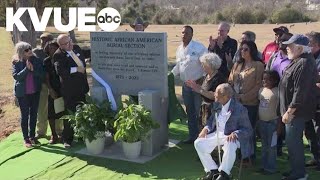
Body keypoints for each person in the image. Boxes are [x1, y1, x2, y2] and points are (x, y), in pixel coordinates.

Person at [194, 83, 253, 180]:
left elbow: (248, 130)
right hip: (217, 134)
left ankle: (224, 174)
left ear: (225, 96)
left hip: (232, 137)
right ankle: (212, 170)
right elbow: (211, 120)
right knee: (198, 143)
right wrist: (206, 129)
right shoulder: (217, 104)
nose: (214, 95)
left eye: (217, 93)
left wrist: (235, 133)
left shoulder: (240, 109)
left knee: (230, 144)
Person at [280, 34, 317, 180]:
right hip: (293, 111)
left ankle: (299, 174)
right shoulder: (298, 60)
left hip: (296, 112)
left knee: (294, 143)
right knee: (292, 142)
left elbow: (300, 91)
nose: (287, 48)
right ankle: (297, 170)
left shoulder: (304, 63)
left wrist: (290, 111)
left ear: (300, 48)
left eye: (290, 45)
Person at [228, 40, 264, 158]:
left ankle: (249, 156)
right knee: (236, 129)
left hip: (250, 103)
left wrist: (243, 96)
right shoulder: (237, 64)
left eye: (245, 49)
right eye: (241, 49)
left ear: (252, 51)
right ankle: (238, 154)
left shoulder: (258, 65)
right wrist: (234, 95)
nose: (242, 51)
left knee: (247, 130)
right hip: (235, 102)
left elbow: (258, 85)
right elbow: (230, 82)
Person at [172, 25, 207, 143]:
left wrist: (203, 79)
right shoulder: (179, 49)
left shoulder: (199, 48)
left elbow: (206, 65)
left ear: (192, 35)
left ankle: (202, 139)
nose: (184, 35)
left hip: (198, 85)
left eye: (186, 33)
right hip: (186, 86)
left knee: (199, 112)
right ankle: (192, 137)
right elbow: (178, 67)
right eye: (182, 33)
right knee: (190, 111)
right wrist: (170, 75)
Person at [53, 34, 89, 148]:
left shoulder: (77, 48)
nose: (69, 45)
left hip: (82, 87)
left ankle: (83, 135)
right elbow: (61, 71)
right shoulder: (58, 55)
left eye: (70, 41)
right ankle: (67, 139)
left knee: (83, 112)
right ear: (60, 45)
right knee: (69, 114)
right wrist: (76, 69)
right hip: (69, 90)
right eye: (65, 44)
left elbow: (88, 53)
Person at [12, 41, 44, 147]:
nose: (30, 51)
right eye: (26, 50)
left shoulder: (37, 60)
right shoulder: (16, 62)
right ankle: (26, 139)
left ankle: (32, 136)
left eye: (30, 48)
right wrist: (26, 69)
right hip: (23, 93)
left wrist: (33, 70)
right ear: (21, 52)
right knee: (25, 115)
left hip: (35, 92)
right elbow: (17, 77)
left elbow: (41, 74)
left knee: (34, 114)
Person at [266, 33, 293, 156]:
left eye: (285, 40)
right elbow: (268, 71)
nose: (281, 42)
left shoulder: (293, 59)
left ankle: (291, 151)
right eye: (280, 40)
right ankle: (276, 147)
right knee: (275, 121)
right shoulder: (275, 56)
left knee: (286, 124)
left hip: (288, 96)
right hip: (274, 94)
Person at [186, 53, 225, 130]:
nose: (202, 66)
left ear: (210, 65)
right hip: (204, 109)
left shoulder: (219, 78)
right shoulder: (206, 76)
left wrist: (199, 90)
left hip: (214, 110)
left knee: (211, 131)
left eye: (204, 64)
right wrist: (195, 86)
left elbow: (215, 95)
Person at [257, 70, 280, 175]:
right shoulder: (261, 90)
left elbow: (280, 110)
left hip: (273, 123)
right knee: (264, 146)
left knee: (271, 147)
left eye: (267, 79)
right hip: (262, 122)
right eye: (263, 78)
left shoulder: (278, 91)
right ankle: (263, 166)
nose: (264, 81)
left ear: (274, 80)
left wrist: (280, 125)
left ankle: (271, 168)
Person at [33, 33, 55, 139]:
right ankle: (41, 131)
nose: (43, 43)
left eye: (46, 41)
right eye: (42, 41)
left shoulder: (56, 51)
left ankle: (59, 131)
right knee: (41, 109)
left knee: (57, 108)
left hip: (55, 85)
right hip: (42, 85)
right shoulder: (36, 52)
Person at [305, 31, 320, 170]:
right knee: (309, 131)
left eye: (307, 42)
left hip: (318, 102)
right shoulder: (307, 57)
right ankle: (316, 157)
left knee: (318, 131)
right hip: (307, 102)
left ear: (316, 44)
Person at [43, 40, 64, 144]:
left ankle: (65, 135)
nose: (52, 50)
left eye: (54, 48)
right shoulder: (46, 61)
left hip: (64, 89)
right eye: (50, 48)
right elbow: (46, 77)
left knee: (64, 113)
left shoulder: (63, 58)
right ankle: (54, 135)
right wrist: (50, 89)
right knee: (51, 114)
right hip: (52, 90)